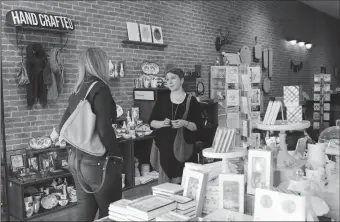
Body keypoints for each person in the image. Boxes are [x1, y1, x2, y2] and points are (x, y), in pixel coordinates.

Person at [59, 48, 122, 221]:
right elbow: (103, 129)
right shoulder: (100, 88)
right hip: (97, 161)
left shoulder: (77, 89)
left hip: (76, 159)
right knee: (112, 212)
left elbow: (62, 125)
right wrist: (117, 155)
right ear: (100, 63)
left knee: (85, 212)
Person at [149, 68, 203, 184]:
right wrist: (162, 123)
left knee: (184, 185)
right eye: (167, 79)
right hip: (165, 153)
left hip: (184, 150)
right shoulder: (162, 99)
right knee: (165, 188)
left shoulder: (191, 100)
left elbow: (198, 126)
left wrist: (184, 123)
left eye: (173, 78)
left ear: (182, 80)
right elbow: (152, 122)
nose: (170, 82)